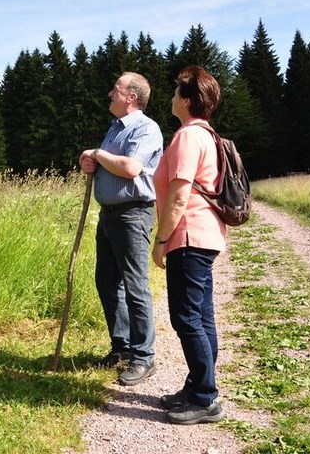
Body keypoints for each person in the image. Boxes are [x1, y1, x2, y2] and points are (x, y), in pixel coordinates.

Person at [151, 65, 227, 425]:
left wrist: (161, 240)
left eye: (175, 92)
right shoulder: (208, 135)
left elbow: (178, 198)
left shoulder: (186, 137)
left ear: (187, 100)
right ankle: (198, 385)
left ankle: (205, 398)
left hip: (188, 236)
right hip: (206, 236)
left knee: (186, 318)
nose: (171, 97)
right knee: (202, 316)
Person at [79, 72, 163, 386]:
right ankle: (122, 348)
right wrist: (88, 161)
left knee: (135, 286)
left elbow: (130, 168)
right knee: (106, 280)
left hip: (133, 215)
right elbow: (107, 163)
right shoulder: (115, 128)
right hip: (109, 215)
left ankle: (144, 357)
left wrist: (98, 154)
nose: (109, 94)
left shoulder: (146, 128)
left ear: (131, 96)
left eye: (115, 89)